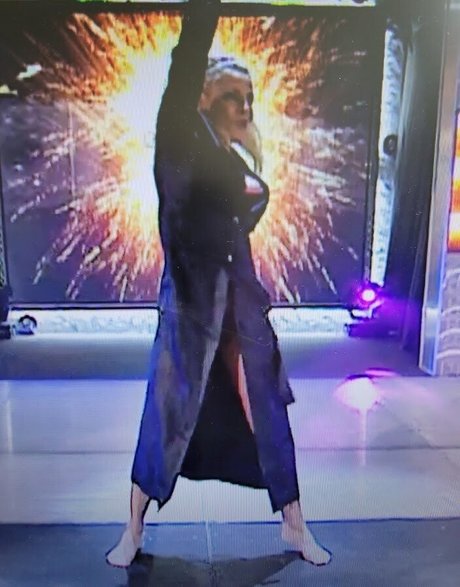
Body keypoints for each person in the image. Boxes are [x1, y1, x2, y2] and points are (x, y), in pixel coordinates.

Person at [106, 0, 331, 568]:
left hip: (241, 308)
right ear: (203, 96)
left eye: (249, 97)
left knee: (268, 414)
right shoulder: (178, 136)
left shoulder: (233, 160)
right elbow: (188, 60)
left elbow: (239, 216)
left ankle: (295, 526)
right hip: (190, 307)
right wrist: (203, 13)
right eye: (233, 96)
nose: (245, 107)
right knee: (165, 416)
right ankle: (132, 530)